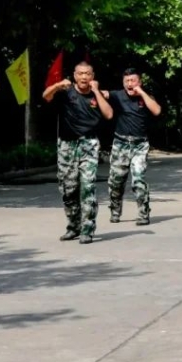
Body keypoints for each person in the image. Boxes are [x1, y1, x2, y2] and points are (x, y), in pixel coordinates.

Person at [42, 62, 114, 244]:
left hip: (89, 144)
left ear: (92, 76)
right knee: (68, 188)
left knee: (88, 186)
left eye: (87, 74)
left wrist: (96, 91)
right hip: (67, 145)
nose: (84, 77)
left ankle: (87, 229)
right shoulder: (66, 93)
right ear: (74, 76)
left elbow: (109, 114)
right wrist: (58, 85)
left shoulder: (97, 95)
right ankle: (73, 226)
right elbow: (46, 96)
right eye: (80, 73)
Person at [104, 68, 162, 226]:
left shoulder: (146, 97)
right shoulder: (117, 95)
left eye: (133, 81)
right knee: (116, 182)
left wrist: (141, 93)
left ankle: (143, 213)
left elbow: (157, 111)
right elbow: (103, 94)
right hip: (120, 143)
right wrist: (92, 88)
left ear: (139, 82)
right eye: (127, 81)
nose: (130, 84)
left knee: (138, 179)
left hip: (139, 145)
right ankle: (115, 210)